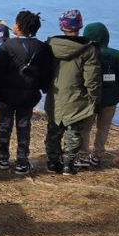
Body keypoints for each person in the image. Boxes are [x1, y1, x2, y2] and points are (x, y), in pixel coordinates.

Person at [0, 10, 51, 175]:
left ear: (19, 26)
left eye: (15, 23)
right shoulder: (42, 47)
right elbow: (46, 73)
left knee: (4, 125)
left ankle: (3, 158)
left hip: (6, 94)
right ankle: (22, 162)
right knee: (24, 126)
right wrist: (42, 88)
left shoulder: (7, 45)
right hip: (29, 95)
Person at [43, 10, 101, 176]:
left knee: (53, 131)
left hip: (55, 96)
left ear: (61, 27)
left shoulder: (50, 45)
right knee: (74, 132)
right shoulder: (89, 49)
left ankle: (52, 162)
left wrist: (45, 88)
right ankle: (68, 164)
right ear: (80, 25)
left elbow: (44, 70)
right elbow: (92, 78)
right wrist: (95, 98)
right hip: (77, 97)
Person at [77, 22, 119, 168]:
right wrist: (117, 91)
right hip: (110, 100)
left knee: (85, 128)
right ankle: (97, 155)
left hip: (89, 99)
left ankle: (82, 155)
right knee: (103, 128)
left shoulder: (85, 54)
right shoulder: (116, 55)